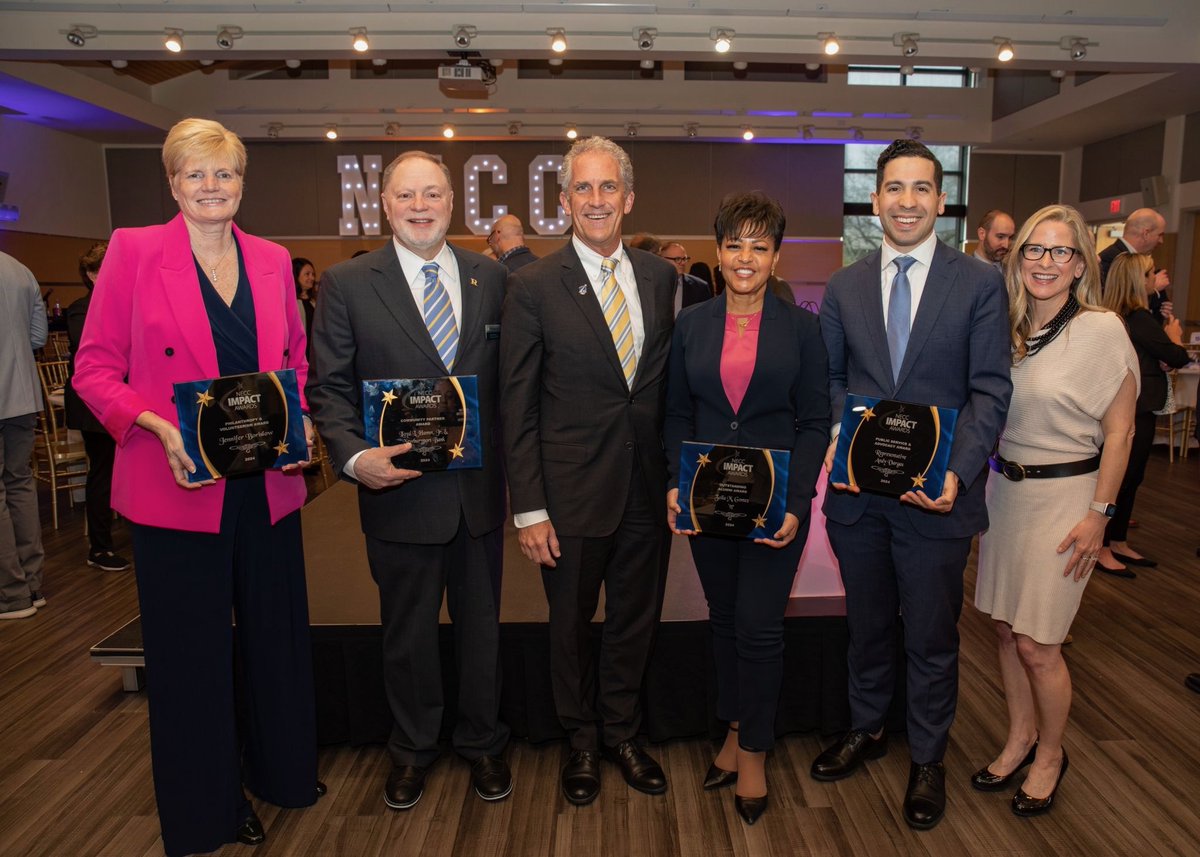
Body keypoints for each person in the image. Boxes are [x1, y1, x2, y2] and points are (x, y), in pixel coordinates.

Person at [73, 117, 321, 856]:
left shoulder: (274, 259)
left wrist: (296, 420)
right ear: (172, 181)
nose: (212, 187)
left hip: (267, 486)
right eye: (196, 174)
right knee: (190, 659)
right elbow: (92, 370)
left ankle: (283, 774)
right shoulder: (134, 251)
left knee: (276, 644)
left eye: (225, 174)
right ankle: (207, 808)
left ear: (243, 182)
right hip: (176, 487)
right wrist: (153, 423)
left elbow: (296, 364)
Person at [812, 139, 1012, 830]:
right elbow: (833, 381)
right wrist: (846, 437)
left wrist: (958, 473)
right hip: (859, 501)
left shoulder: (980, 283)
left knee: (930, 636)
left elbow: (990, 390)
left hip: (938, 502)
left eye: (920, 188)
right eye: (894, 188)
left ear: (940, 199)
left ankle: (928, 756)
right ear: (875, 199)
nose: (906, 201)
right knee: (867, 626)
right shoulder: (844, 286)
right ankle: (867, 726)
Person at [308, 150, 512, 812]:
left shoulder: (492, 277)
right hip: (395, 494)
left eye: (432, 194)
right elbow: (328, 387)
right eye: (405, 196)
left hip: (477, 496)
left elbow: (511, 384)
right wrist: (351, 456)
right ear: (385, 205)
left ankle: (483, 742)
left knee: (483, 631)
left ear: (453, 202)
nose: (419, 206)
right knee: (408, 634)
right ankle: (413, 748)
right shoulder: (347, 283)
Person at [500, 136, 676, 806]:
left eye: (608, 188)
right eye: (583, 189)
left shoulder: (660, 279)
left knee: (636, 618)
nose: (596, 201)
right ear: (565, 201)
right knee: (570, 627)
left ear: (628, 199)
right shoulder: (533, 286)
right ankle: (580, 740)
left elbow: (659, 389)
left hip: (644, 489)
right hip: (568, 497)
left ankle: (623, 733)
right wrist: (529, 508)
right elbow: (517, 404)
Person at [664, 191, 829, 825]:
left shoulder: (804, 328)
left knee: (760, 629)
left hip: (774, 509)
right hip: (708, 503)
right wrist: (677, 482)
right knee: (726, 620)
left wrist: (795, 499)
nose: (745, 256)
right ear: (718, 250)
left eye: (760, 246)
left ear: (777, 256)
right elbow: (678, 411)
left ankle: (754, 750)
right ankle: (734, 729)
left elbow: (815, 421)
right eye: (735, 243)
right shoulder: (692, 324)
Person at [973, 204, 1137, 817]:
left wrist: (1101, 515)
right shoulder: (1008, 327)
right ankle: (1018, 738)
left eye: (1059, 251)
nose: (1045, 262)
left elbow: (1119, 434)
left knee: (1040, 642)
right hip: (1005, 494)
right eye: (1034, 250)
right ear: (1018, 260)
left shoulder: (1101, 330)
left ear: (1080, 264)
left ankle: (1050, 754)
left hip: (1067, 500)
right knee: (1003, 628)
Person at [1096, 252, 1189, 575]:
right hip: (1134, 408)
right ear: (1138, 279)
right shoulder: (1136, 318)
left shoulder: (1127, 317)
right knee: (1122, 479)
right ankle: (1104, 546)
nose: (1155, 279)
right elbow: (1175, 355)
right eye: (1150, 274)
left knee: (1131, 478)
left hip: (1137, 404)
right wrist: (1174, 338)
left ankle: (1118, 541)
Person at [64, 242, 131, 572]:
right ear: (91, 274)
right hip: (94, 408)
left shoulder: (127, 303)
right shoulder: (81, 309)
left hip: (126, 402)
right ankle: (100, 547)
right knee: (103, 472)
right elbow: (91, 355)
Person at [0, 250, 47, 620]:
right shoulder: (20, 268)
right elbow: (37, 337)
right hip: (23, 395)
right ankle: (32, 584)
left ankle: (11, 595)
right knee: (20, 484)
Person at [1098, 208, 1171, 320]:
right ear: (1146, 233)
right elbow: (1107, 304)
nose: (1161, 241)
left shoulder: (1143, 263)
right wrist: (1151, 288)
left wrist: (1160, 312)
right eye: (1160, 235)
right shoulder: (1110, 259)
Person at [658, 241, 711, 314]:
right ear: (662, 260)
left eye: (684, 259)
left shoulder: (699, 287)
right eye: (677, 259)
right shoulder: (652, 285)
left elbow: (706, 315)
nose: (683, 263)